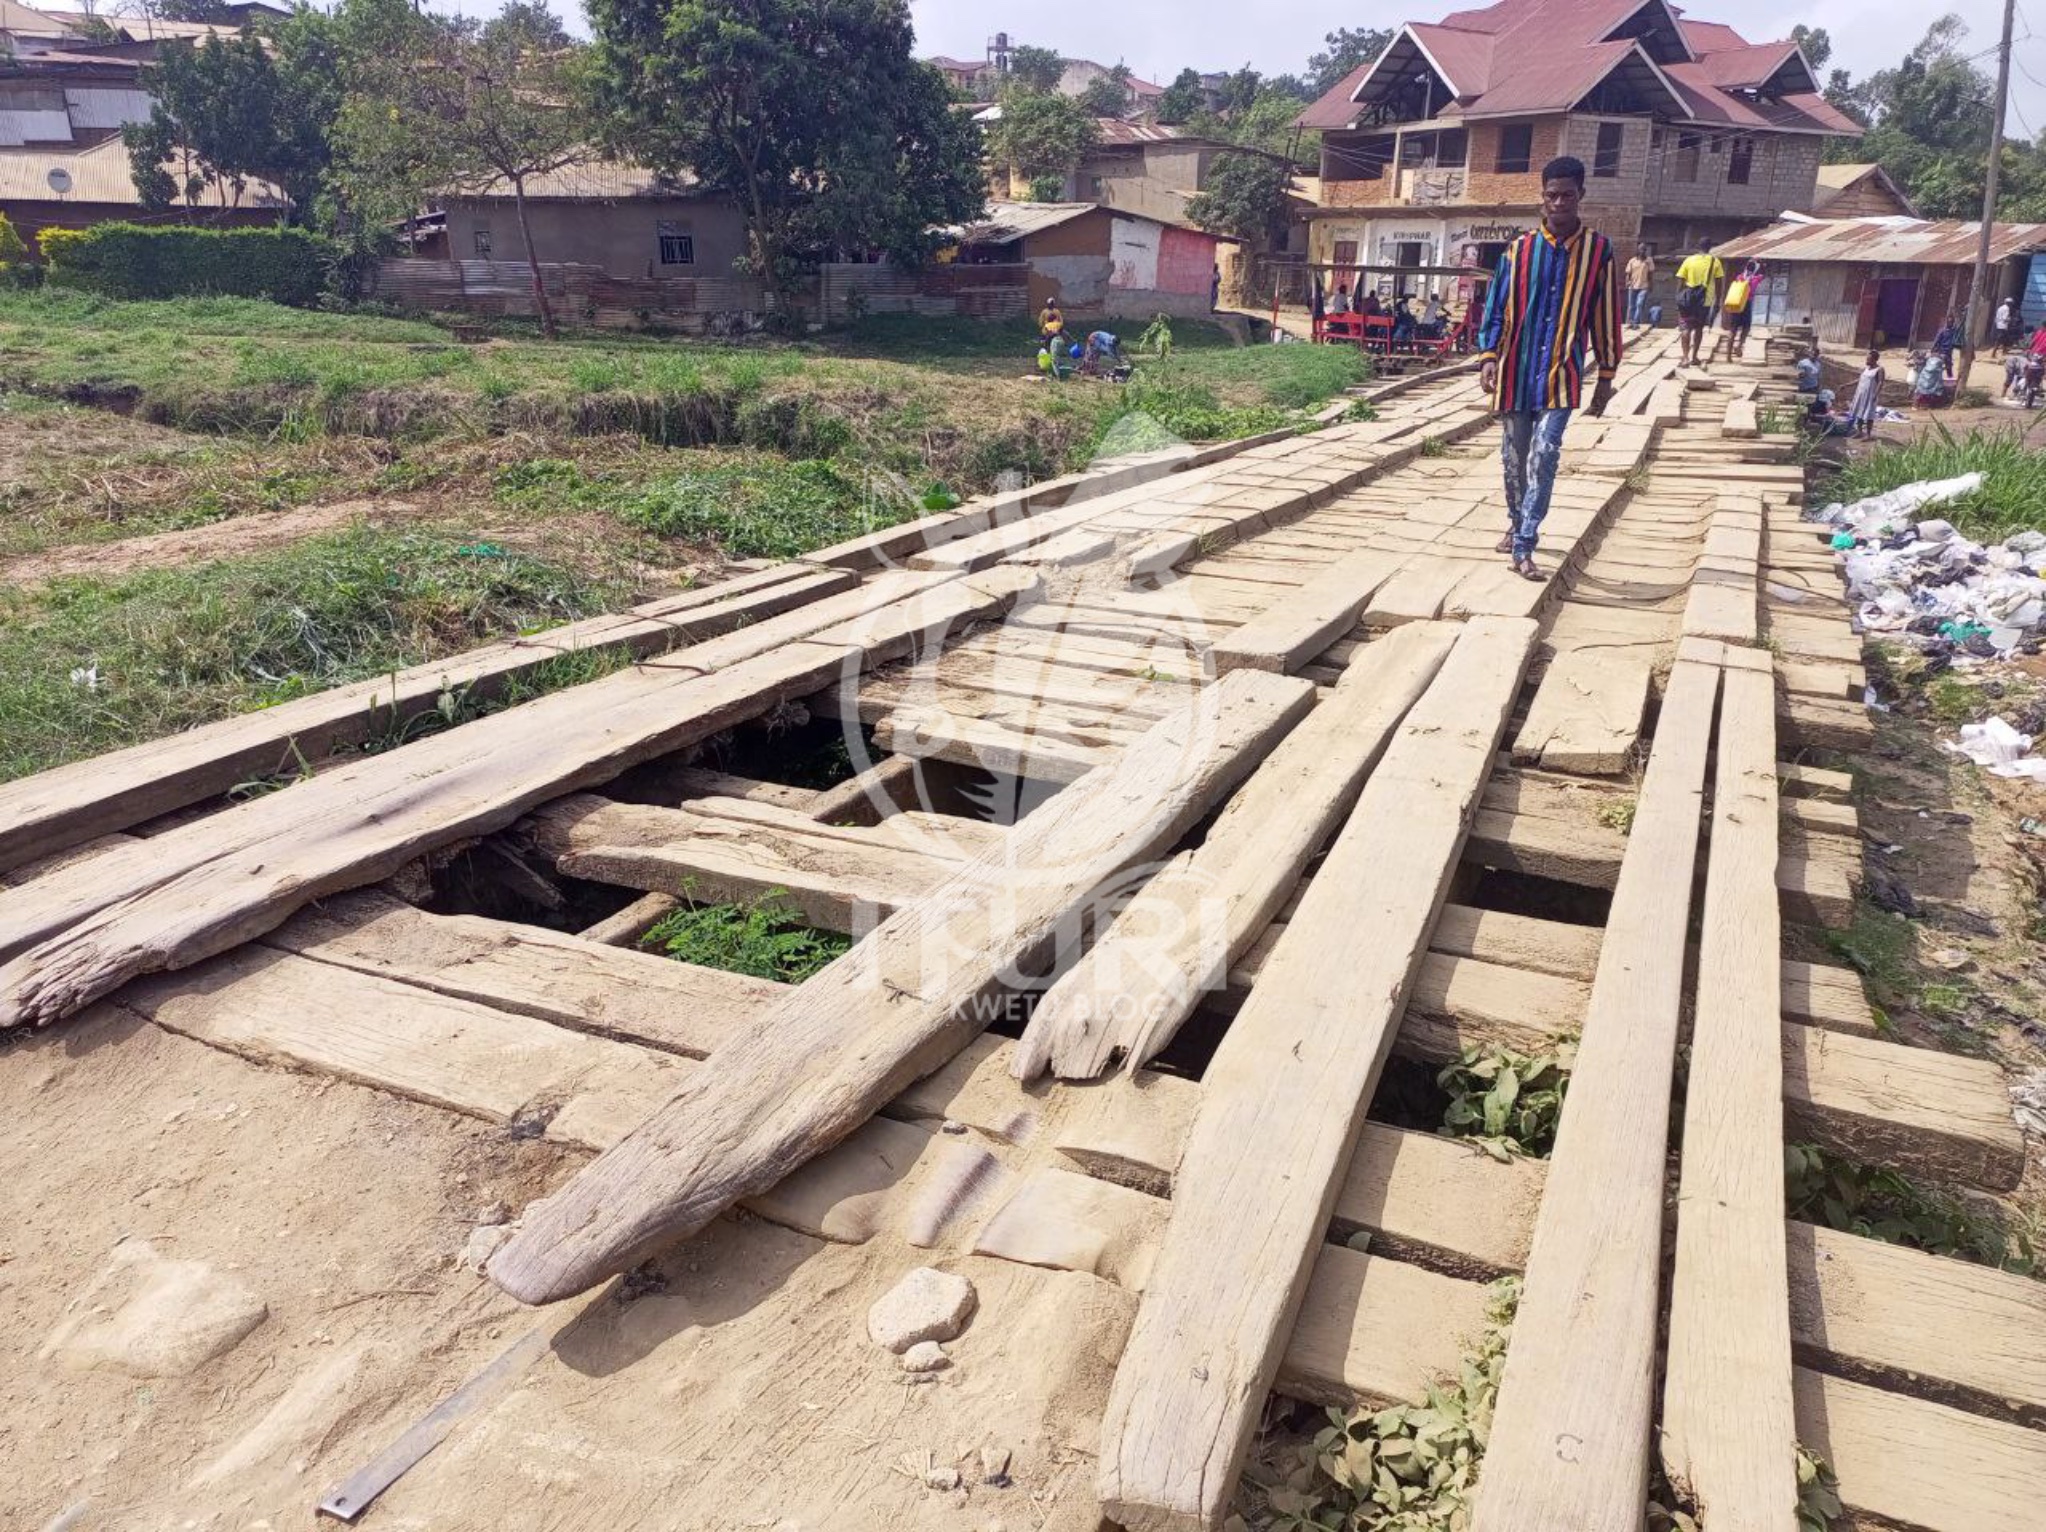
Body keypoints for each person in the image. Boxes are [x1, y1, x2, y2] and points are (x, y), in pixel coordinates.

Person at [1477, 154, 1622, 583]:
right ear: (1542, 198)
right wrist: (1488, 356)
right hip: (1515, 375)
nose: (1559, 203)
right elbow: (1496, 310)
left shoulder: (1599, 251)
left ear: (1581, 196)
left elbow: (1606, 315)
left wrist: (1607, 377)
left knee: (1545, 454)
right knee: (1513, 458)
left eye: (1567, 195)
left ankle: (1525, 542)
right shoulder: (1517, 251)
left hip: (1562, 374)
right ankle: (1516, 518)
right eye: (1552, 195)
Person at [1673, 237, 1725, 368]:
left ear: (1698, 246)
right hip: (1704, 301)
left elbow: (1680, 280)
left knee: (1685, 328)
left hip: (1687, 300)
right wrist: (1718, 301)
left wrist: (1678, 298)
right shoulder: (1715, 262)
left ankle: (1685, 358)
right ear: (1710, 247)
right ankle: (1694, 357)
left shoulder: (1689, 260)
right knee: (1699, 328)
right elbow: (1719, 283)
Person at [1717, 259, 1760, 359]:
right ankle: (1739, 345)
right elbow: (1762, 273)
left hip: (1736, 305)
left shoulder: (1739, 277)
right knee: (1746, 328)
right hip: (1747, 305)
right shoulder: (1756, 279)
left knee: (1733, 330)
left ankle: (1728, 355)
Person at [1848, 349, 1884, 440]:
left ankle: (1868, 435)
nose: (1866, 361)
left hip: (1870, 396)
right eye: (1866, 359)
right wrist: (1846, 385)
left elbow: (1880, 382)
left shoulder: (1879, 369)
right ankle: (1859, 432)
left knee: (1869, 415)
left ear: (1874, 360)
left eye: (1868, 359)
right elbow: (1859, 380)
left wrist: (1875, 395)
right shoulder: (1866, 369)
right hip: (1860, 394)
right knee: (1859, 413)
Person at [1625, 243, 1655, 328]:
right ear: (1638, 250)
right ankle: (1630, 322)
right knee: (1631, 305)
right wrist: (1627, 282)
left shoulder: (1649, 260)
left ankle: (1636, 321)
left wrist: (1651, 285)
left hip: (1644, 286)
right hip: (1633, 286)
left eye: (1644, 249)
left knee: (1639, 304)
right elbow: (1628, 273)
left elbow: (1651, 274)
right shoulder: (1632, 261)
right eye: (1641, 249)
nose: (1642, 251)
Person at [1932, 313, 1960, 380]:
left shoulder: (1954, 331)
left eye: (1951, 322)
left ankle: (1950, 380)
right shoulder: (1942, 331)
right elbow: (1937, 340)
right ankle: (1935, 379)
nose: (1950, 323)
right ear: (1946, 322)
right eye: (1949, 322)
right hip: (1941, 351)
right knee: (1938, 366)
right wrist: (1933, 349)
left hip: (1949, 352)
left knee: (1948, 367)